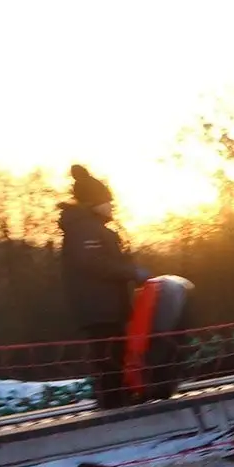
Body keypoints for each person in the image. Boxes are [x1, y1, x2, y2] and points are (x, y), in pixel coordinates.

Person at [58, 165, 148, 409]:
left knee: (115, 353)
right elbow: (93, 263)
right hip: (100, 308)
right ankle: (113, 401)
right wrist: (131, 272)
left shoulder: (91, 228)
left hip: (107, 307)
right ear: (94, 203)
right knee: (108, 354)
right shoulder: (84, 229)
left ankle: (119, 397)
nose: (111, 206)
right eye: (107, 201)